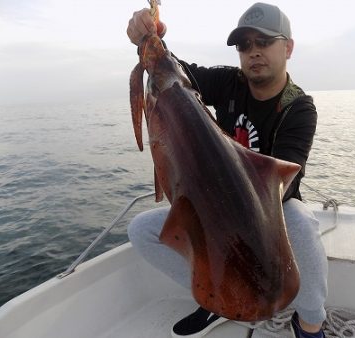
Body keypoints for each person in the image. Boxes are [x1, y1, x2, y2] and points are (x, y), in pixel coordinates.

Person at [126, 2, 328, 338]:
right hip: (213, 205)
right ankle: (216, 297)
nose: (254, 52)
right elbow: (179, 77)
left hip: (271, 210)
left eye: (264, 42)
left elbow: (287, 183)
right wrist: (151, 41)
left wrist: (228, 200)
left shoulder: (298, 106)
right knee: (142, 231)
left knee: (302, 222)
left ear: (288, 47)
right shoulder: (228, 81)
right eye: (245, 45)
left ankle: (310, 321)